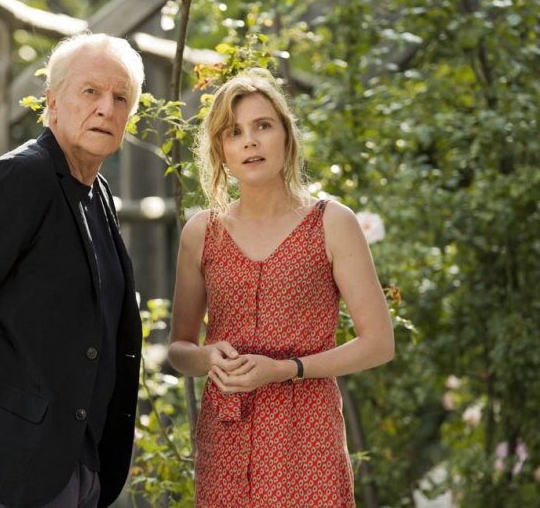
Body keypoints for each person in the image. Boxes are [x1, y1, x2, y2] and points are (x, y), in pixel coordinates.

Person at [0, 32, 144, 508]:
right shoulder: (20, 178)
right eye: (91, 91)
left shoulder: (98, 194)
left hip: (79, 463)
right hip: (7, 460)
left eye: (121, 98)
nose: (106, 108)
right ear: (52, 102)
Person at [168, 68, 395, 507]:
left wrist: (285, 369)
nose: (250, 142)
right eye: (234, 132)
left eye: (263, 126)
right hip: (225, 443)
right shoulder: (202, 233)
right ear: (221, 149)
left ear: (287, 137)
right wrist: (206, 357)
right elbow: (179, 348)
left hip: (307, 440)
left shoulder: (332, 223)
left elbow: (379, 343)